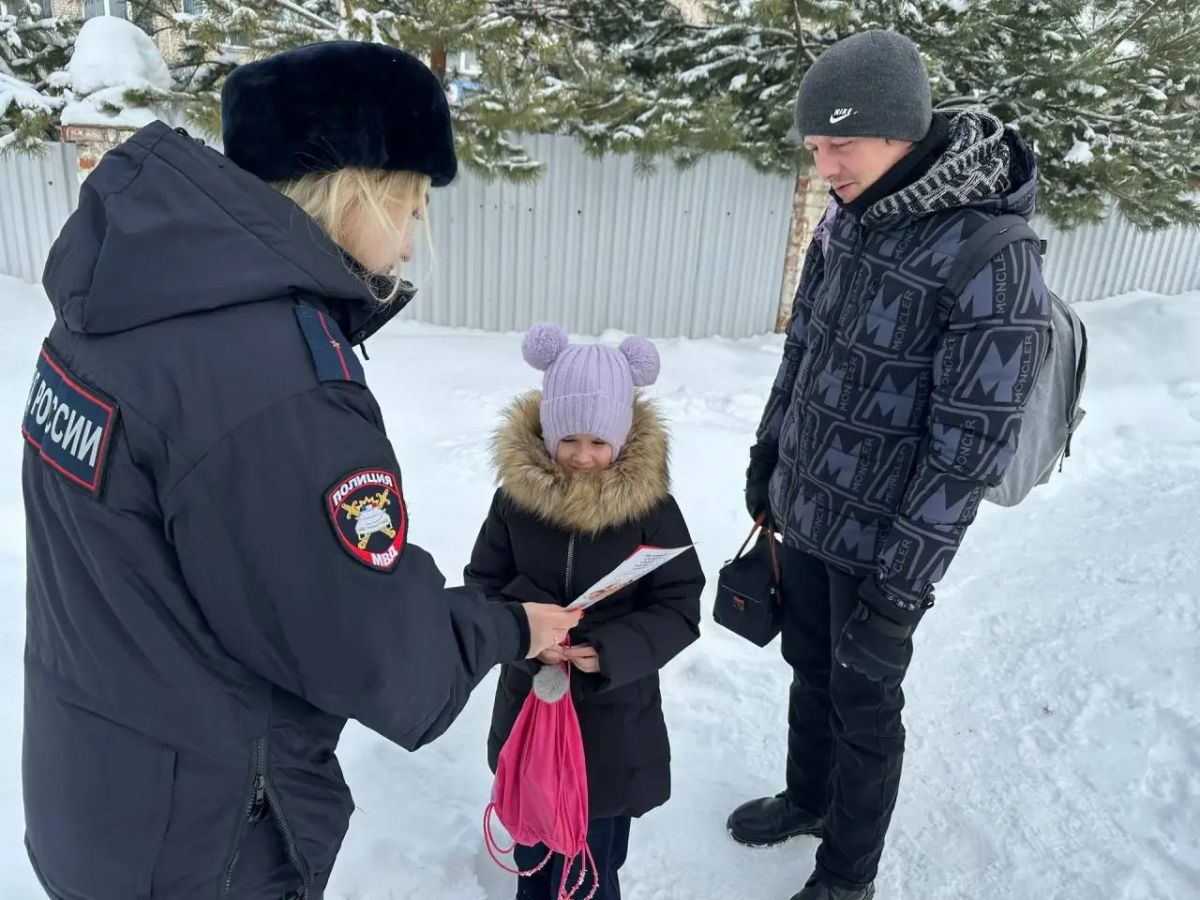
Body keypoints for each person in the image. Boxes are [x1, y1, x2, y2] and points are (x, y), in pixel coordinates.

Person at [20, 42, 579, 900]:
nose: (411, 237)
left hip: (96, 789)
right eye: (413, 201)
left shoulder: (117, 309)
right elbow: (374, 648)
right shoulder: (277, 384)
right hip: (201, 840)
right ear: (359, 187)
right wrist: (509, 628)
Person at [729, 30, 1052, 900]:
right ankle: (807, 798)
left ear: (901, 131)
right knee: (810, 668)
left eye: (840, 143)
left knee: (864, 699)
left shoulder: (992, 254)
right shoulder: (847, 218)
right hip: (809, 509)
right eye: (815, 145)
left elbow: (967, 448)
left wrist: (902, 589)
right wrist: (771, 456)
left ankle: (847, 874)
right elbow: (803, 351)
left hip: (887, 542)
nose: (824, 163)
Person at [466, 324, 705, 900]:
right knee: (533, 844)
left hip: (612, 721)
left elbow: (679, 603)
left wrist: (613, 651)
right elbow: (482, 583)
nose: (582, 456)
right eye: (568, 438)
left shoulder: (652, 509)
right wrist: (522, 632)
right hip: (532, 702)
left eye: (598, 441)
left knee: (593, 861)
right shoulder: (513, 503)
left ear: (621, 438)